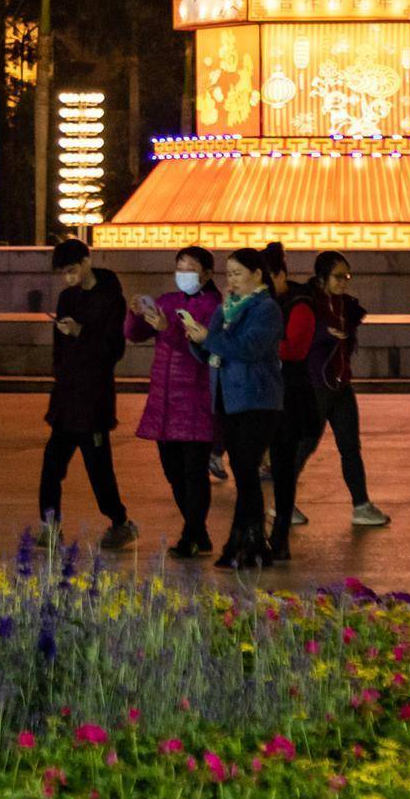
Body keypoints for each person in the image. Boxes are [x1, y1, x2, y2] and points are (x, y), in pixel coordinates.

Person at [37, 239, 139, 549]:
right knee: (52, 463)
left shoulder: (111, 299)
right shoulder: (67, 297)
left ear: (85, 262)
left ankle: (120, 521)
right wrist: (60, 371)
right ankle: (50, 525)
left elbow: (113, 349)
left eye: (71, 270)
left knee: (98, 468)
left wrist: (81, 332)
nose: (67, 278)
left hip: (93, 399)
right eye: (63, 273)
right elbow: (60, 345)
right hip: (67, 397)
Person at [126, 246, 220, 559]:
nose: (184, 274)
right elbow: (134, 334)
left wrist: (168, 331)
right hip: (163, 403)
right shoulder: (167, 301)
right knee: (173, 473)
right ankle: (199, 533)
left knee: (194, 474)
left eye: (191, 268)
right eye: (179, 267)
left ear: (206, 274)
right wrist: (136, 313)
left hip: (195, 401)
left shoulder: (213, 306)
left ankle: (191, 535)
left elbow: (198, 347)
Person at [204, 248, 283, 569]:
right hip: (228, 400)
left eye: (238, 273)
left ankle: (243, 542)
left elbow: (248, 349)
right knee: (243, 472)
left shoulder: (266, 309)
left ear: (257, 275)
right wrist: (200, 339)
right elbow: (210, 353)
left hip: (257, 400)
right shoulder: (225, 310)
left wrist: (208, 339)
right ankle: (250, 542)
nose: (232, 280)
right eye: (229, 274)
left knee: (247, 471)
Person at [308, 252, 390, 527]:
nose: (344, 282)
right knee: (304, 445)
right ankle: (283, 503)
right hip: (317, 387)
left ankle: (361, 504)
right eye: (338, 276)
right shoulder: (310, 306)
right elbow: (302, 340)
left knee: (350, 446)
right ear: (322, 278)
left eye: (347, 276)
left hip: (341, 385)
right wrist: (323, 334)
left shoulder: (346, 306)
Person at [263, 240, 323, 550]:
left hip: (290, 399)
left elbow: (293, 350)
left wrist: (256, 344)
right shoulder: (255, 303)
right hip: (259, 396)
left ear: (279, 274)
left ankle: (280, 533)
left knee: (283, 469)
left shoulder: (300, 304)